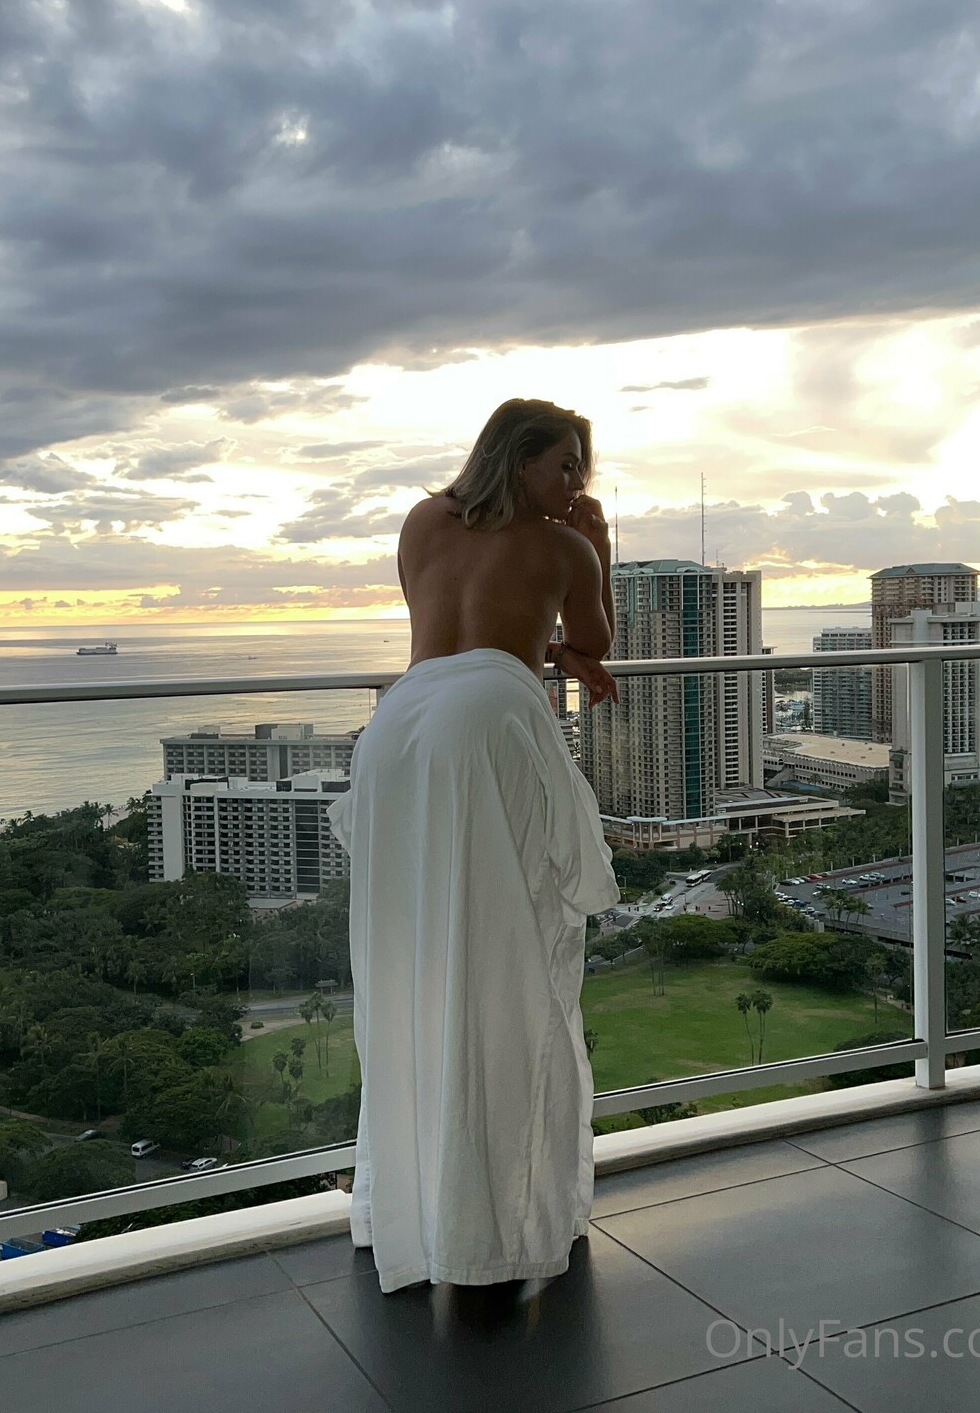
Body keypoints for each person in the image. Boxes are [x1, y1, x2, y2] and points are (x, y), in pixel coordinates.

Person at [326, 398, 624, 1295]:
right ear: (517, 458)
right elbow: (593, 640)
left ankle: (411, 1206)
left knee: (411, 950)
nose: (576, 483)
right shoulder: (564, 547)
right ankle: (497, 1224)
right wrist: (597, 546)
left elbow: (437, 613)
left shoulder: (423, 520)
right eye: (564, 465)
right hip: (489, 722)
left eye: (581, 470)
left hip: (399, 726)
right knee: (509, 952)